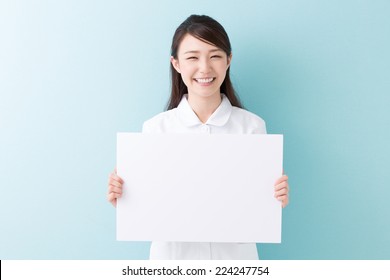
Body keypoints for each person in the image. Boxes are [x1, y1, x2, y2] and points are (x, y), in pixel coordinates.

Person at [107, 14, 289, 260]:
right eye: (192, 57)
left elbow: (254, 210)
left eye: (215, 56)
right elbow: (149, 211)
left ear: (228, 60)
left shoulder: (252, 127)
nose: (205, 68)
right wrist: (128, 199)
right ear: (176, 63)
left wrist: (273, 199)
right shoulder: (155, 130)